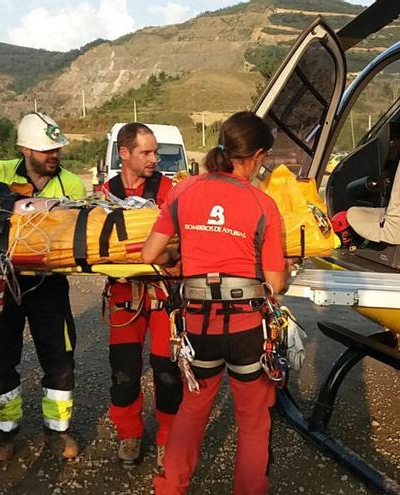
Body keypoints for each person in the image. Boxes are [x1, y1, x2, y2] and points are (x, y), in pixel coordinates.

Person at [143, 111, 289, 495]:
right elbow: (274, 284)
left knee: (192, 411)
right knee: (253, 420)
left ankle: (170, 488)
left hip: (198, 325)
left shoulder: (184, 189)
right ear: (257, 155)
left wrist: (179, 260)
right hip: (245, 328)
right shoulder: (263, 204)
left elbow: (150, 253)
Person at [0, 112, 87, 461]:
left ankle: (58, 431)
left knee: (59, 356)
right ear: (23, 149)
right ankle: (5, 432)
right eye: (46, 149)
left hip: (49, 284)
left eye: (57, 148)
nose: (54, 155)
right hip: (1, 283)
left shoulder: (72, 184)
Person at [95, 123, 181, 468]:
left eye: (156, 152)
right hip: (124, 295)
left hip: (163, 295)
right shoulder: (105, 193)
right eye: (146, 152)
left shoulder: (169, 189)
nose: (154, 159)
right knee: (124, 370)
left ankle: (168, 438)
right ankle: (129, 432)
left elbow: (181, 238)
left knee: (167, 369)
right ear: (124, 153)